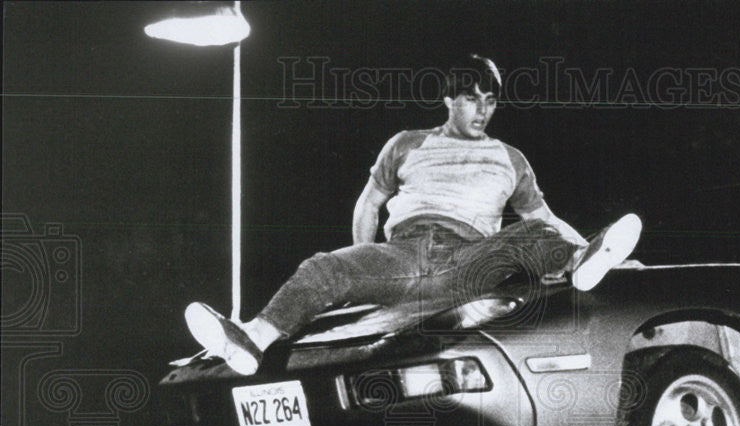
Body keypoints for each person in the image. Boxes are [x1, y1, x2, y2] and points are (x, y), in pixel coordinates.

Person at [185, 54, 641, 375]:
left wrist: (589, 251)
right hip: (405, 256)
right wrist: (364, 261)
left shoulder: (510, 158)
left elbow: (544, 214)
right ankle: (249, 340)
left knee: (535, 231)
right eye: (471, 98)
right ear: (448, 99)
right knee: (323, 267)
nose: (482, 110)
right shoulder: (406, 143)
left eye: (490, 101)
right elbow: (369, 203)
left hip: (470, 260)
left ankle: (584, 260)